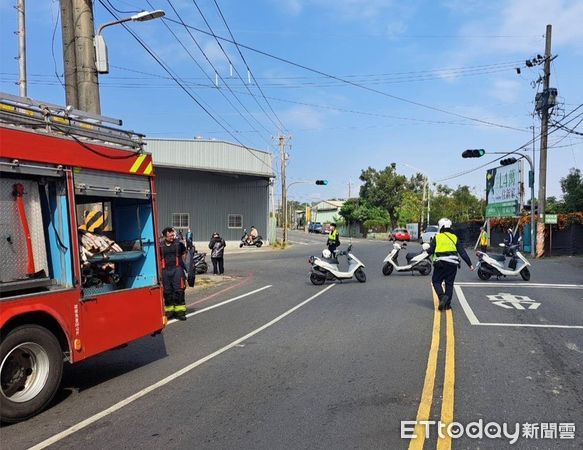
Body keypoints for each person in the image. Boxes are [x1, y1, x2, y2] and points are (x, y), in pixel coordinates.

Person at [427, 218, 474, 311]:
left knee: (436, 281)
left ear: (440, 227)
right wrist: (470, 264)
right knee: (449, 283)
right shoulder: (454, 237)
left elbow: (430, 251)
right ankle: (447, 305)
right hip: (452, 264)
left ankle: (442, 297)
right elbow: (462, 252)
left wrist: (424, 253)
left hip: (440, 264)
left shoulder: (437, 237)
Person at [160, 227, 187, 320]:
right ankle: (169, 312)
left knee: (179, 291)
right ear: (165, 236)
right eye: (170, 235)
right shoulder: (160, 246)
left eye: (173, 235)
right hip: (165, 271)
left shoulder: (179, 244)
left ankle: (180, 313)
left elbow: (185, 255)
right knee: (167, 292)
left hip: (177, 270)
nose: (172, 237)